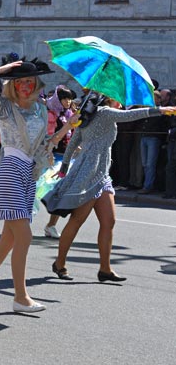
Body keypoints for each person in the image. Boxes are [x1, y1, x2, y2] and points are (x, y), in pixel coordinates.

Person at [0, 57, 79, 312]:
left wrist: (67, 128)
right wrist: (0, 69)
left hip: (29, 171)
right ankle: (20, 297)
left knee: (9, 239)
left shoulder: (40, 109)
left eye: (29, 81)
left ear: (36, 83)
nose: (25, 86)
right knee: (24, 236)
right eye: (20, 82)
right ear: (13, 85)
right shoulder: (5, 106)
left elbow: (45, 143)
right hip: (9, 169)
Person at [42, 93, 176, 282]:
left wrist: (64, 168)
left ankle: (105, 269)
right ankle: (60, 263)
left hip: (102, 175)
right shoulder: (105, 113)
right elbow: (131, 116)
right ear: (108, 99)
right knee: (77, 221)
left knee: (109, 222)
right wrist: (160, 110)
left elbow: (73, 143)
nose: (121, 104)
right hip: (88, 175)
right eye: (118, 99)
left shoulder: (87, 115)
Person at [43, 84, 75, 239]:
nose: (68, 102)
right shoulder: (50, 113)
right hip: (51, 157)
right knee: (40, 190)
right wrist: (49, 152)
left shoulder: (68, 114)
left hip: (65, 156)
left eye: (70, 99)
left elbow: (70, 135)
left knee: (60, 193)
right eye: (65, 98)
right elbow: (50, 137)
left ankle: (51, 225)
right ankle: (19, 224)